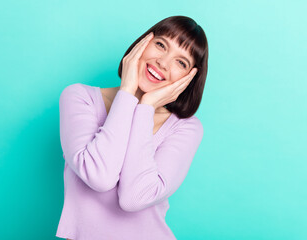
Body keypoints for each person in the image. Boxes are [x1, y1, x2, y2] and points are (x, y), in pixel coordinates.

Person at [56, 15, 208, 240]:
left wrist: (146, 107)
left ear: (189, 79)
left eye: (181, 62)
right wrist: (127, 93)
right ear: (141, 44)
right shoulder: (80, 98)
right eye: (160, 45)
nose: (163, 63)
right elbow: (100, 177)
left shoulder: (185, 128)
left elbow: (133, 198)